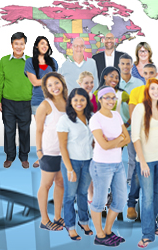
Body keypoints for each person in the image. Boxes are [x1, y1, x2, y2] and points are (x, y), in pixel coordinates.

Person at [89, 86, 130, 247]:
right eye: (107, 97)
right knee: (99, 202)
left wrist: (115, 140)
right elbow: (103, 146)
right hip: (101, 165)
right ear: (100, 99)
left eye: (113, 98)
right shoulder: (96, 119)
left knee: (120, 200)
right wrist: (118, 140)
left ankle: (107, 231)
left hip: (117, 163)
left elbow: (127, 139)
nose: (111, 101)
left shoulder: (117, 115)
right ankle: (99, 235)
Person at [131, 78, 158, 248]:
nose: (156, 91)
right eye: (152, 88)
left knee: (157, 194)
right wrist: (142, 161)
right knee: (147, 197)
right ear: (147, 91)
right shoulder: (140, 108)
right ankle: (147, 234)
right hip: (146, 160)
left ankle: (153, 226)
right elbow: (135, 137)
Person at [57, 88, 94, 241]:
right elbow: (62, 146)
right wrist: (70, 169)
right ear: (70, 102)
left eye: (82, 99)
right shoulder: (65, 120)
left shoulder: (92, 117)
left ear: (87, 101)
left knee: (83, 193)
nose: (79, 103)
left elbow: (93, 140)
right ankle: (70, 226)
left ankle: (84, 222)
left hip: (88, 161)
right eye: (75, 100)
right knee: (70, 195)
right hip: (71, 161)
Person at [35, 72, 68, 231]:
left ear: (62, 83)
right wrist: (39, 152)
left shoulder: (69, 102)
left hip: (65, 152)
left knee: (60, 183)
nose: (54, 87)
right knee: (46, 185)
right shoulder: (45, 105)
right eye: (50, 85)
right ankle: (44, 220)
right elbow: (39, 130)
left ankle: (57, 216)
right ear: (46, 89)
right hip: (49, 151)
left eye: (56, 83)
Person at [0, 32, 32, 169]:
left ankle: (24, 157)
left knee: (24, 130)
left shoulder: (30, 61)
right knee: (9, 130)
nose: (18, 46)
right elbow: (1, 80)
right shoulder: (4, 60)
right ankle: (9, 156)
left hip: (25, 102)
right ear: (12, 45)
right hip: (8, 102)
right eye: (16, 43)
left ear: (24, 45)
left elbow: (34, 82)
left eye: (21, 44)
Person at [118, 53, 144, 220]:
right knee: (113, 158)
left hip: (131, 126)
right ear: (119, 65)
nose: (126, 66)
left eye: (128, 64)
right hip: (115, 128)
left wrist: (130, 124)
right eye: (123, 64)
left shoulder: (139, 83)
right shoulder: (114, 82)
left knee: (133, 158)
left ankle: (130, 183)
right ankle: (116, 187)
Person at [25, 36, 58, 116]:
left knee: (52, 127)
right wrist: (50, 81)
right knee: (41, 128)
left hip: (52, 101)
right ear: (36, 46)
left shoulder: (53, 61)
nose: (45, 46)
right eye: (42, 43)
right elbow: (35, 82)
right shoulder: (30, 62)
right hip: (38, 101)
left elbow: (57, 81)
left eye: (47, 44)